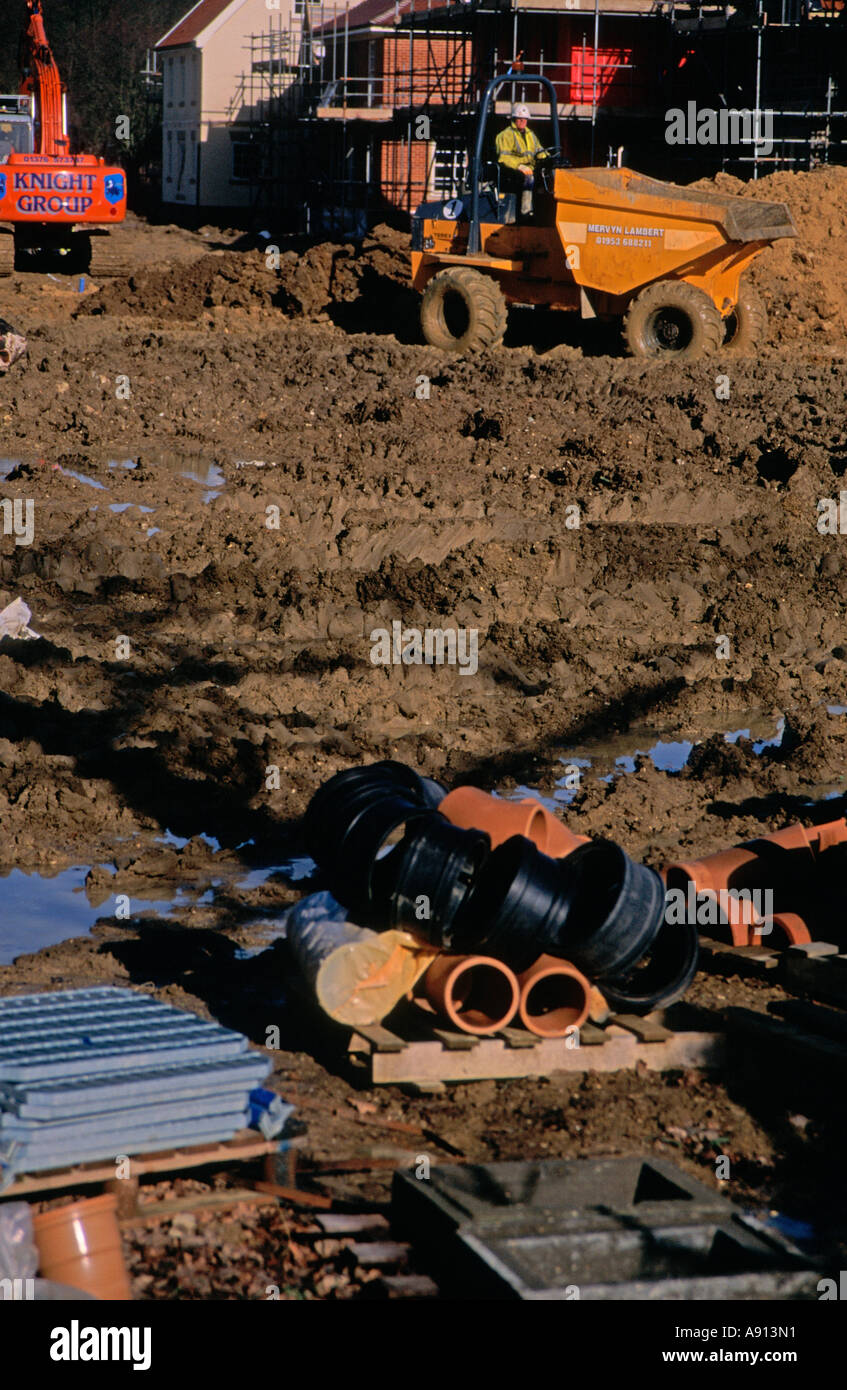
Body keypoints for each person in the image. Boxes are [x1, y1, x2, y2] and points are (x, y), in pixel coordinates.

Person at [495, 103, 544, 216]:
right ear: (514, 119)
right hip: (510, 171)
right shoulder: (506, 135)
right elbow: (504, 158)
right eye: (520, 119)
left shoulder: (531, 135)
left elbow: (540, 151)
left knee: (545, 175)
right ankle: (525, 212)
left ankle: (541, 210)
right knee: (529, 178)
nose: (522, 121)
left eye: (525, 119)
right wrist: (519, 166)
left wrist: (551, 159)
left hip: (529, 168)